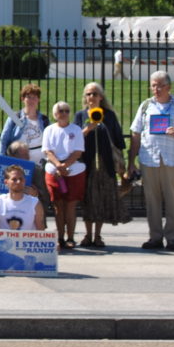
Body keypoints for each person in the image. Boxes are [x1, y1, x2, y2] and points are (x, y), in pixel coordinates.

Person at [129, 70, 174, 251]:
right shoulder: (145, 106)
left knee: (173, 200)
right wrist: (131, 162)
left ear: (168, 87)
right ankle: (155, 237)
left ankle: (172, 238)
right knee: (152, 200)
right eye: (153, 85)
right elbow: (135, 134)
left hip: (173, 160)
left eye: (160, 85)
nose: (156, 89)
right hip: (149, 159)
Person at [74, 82, 128, 248]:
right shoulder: (80, 115)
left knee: (101, 199)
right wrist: (87, 129)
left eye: (95, 94)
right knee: (88, 199)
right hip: (86, 163)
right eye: (88, 94)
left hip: (106, 163)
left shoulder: (109, 116)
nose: (91, 97)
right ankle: (87, 235)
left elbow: (118, 140)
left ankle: (97, 235)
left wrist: (123, 168)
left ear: (101, 97)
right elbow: (74, 139)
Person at [43, 101, 85, 250]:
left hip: (74, 170)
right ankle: (60, 237)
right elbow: (48, 151)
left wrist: (65, 165)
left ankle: (71, 237)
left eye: (67, 110)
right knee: (58, 206)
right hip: (54, 170)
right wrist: (58, 166)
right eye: (61, 111)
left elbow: (78, 151)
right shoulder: (49, 130)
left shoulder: (76, 129)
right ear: (55, 114)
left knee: (71, 206)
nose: (64, 113)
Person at [0, 164, 46, 231]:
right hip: (4, 241)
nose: (18, 182)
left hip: (27, 241)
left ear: (24, 181)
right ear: (6, 182)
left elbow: (41, 230)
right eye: (14, 179)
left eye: (21, 179)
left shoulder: (35, 203)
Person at [0, 83, 48, 162]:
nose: (31, 100)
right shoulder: (14, 117)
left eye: (34, 97)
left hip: (40, 159)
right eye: (28, 97)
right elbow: (4, 139)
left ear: (38, 100)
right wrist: (1, 159)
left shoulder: (44, 119)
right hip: (19, 158)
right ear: (23, 99)